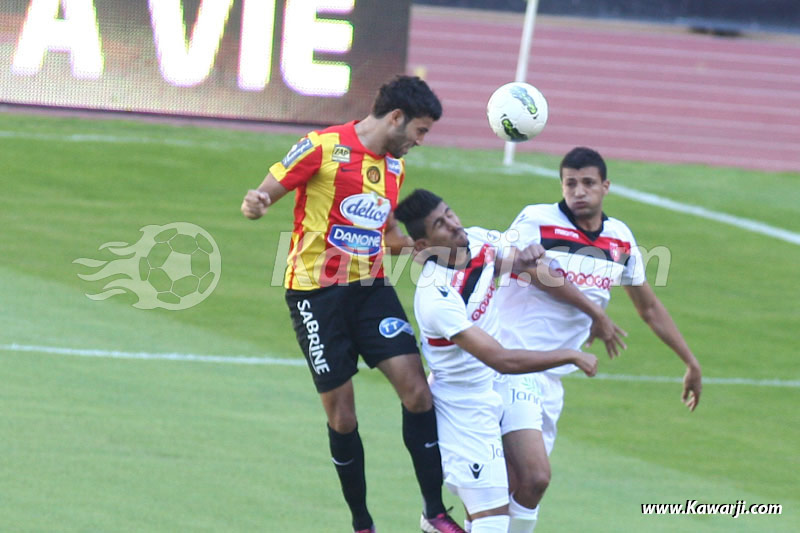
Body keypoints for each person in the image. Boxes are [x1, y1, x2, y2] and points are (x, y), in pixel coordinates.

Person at [240, 75, 464, 533]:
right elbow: (266, 192)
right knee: (343, 417)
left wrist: (433, 249)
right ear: (396, 118)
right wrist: (258, 203)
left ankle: (433, 511)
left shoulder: (394, 169)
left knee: (418, 393)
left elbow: (384, 236)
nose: (421, 141)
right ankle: (362, 523)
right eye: (420, 130)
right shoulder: (319, 147)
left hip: (370, 290)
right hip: (315, 297)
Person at [494, 146, 703, 532]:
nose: (578, 191)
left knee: (521, 489)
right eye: (570, 183)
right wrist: (597, 313)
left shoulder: (619, 239)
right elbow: (535, 271)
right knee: (530, 479)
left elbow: (650, 308)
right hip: (508, 365)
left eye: (588, 183)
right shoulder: (536, 221)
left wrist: (690, 361)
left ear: (606, 186)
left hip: (551, 379)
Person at [394, 188, 621, 533]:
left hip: (504, 382)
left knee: (535, 478)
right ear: (425, 245)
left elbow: (517, 263)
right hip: (465, 400)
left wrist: (529, 258)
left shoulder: (478, 239)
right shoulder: (436, 297)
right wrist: (570, 354)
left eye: (450, 212)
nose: (454, 224)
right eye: (440, 224)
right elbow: (500, 359)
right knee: (493, 521)